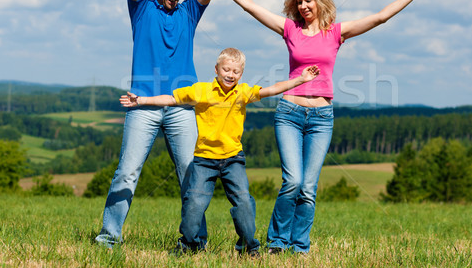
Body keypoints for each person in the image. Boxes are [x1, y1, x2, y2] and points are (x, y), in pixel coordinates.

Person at [201, 0, 441, 254]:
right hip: (289, 113)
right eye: (299, 1)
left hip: (321, 118)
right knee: (292, 181)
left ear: (319, 2)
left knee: (309, 188)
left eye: (308, 0)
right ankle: (277, 242)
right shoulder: (290, 30)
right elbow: (250, 5)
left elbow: (380, 17)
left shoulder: (335, 33)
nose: (303, 6)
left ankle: (299, 245)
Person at [119, 48, 321, 255]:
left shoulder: (242, 93)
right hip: (204, 160)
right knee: (194, 202)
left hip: (233, 159)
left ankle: (248, 245)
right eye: (226, 69)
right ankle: (189, 243)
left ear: (241, 74)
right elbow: (171, 99)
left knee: (243, 201)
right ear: (216, 69)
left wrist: (301, 80)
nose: (230, 74)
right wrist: (142, 101)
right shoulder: (201, 91)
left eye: (235, 71)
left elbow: (272, 89)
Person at [95, 0, 218, 248]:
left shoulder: (189, 11)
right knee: (127, 174)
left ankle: (194, 242)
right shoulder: (141, 8)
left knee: (191, 178)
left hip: (181, 107)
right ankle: (109, 238)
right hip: (142, 106)